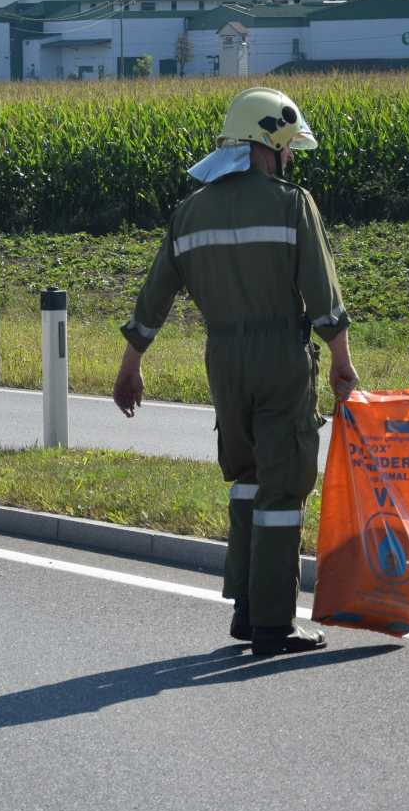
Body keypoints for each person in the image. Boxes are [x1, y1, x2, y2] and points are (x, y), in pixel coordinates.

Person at [113, 86, 358, 656]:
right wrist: (342, 362)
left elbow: (154, 297)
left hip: (223, 362)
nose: (290, 157)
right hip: (280, 360)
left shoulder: (189, 212)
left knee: (246, 478)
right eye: (287, 146)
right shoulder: (293, 204)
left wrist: (131, 366)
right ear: (265, 143)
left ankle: (246, 608)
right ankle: (274, 624)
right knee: (283, 487)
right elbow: (323, 296)